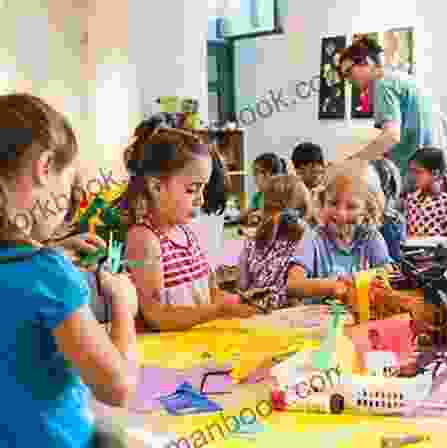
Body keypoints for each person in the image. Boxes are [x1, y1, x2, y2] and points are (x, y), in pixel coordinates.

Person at [0, 93, 137, 448]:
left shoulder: (34, 267)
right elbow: (117, 388)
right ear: (45, 167)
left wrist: (55, 251)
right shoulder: (48, 274)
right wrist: (123, 304)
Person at [122, 120, 257, 331]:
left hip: (196, 346)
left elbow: (212, 293)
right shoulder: (144, 239)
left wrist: (241, 302)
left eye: (202, 189)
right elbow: (155, 315)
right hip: (169, 357)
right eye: (192, 189)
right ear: (156, 187)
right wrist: (218, 311)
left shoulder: (187, 233)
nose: (201, 200)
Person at [338, 37, 443, 182]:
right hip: (433, 173)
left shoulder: (382, 85)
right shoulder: (401, 78)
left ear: (367, 62)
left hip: (414, 176)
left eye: (349, 72)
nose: (348, 80)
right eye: (345, 76)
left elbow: (391, 136)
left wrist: (354, 161)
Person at [286, 166, 392, 304]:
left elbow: (387, 274)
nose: (341, 214)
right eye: (333, 203)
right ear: (322, 203)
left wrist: (360, 281)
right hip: (321, 322)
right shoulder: (313, 238)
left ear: (367, 210)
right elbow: (292, 285)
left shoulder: (371, 237)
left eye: (352, 207)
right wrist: (334, 286)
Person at [237, 175, 318, 310]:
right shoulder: (308, 236)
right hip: (292, 316)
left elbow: (242, 285)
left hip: (254, 313)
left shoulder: (252, 240)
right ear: (304, 206)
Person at [405, 147, 447, 240]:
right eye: (411, 171)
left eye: (417, 172)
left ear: (435, 174)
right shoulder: (410, 200)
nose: (412, 176)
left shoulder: (446, 204)